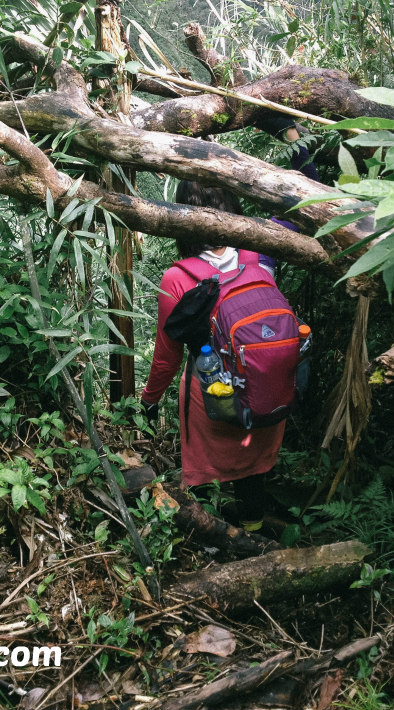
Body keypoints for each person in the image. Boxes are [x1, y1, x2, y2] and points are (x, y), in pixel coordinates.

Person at [139, 181, 288, 533]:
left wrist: (149, 400)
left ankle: (211, 540)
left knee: (206, 471)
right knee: (253, 466)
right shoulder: (260, 254)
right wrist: (291, 135)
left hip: (212, 396)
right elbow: (294, 209)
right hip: (265, 388)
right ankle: (252, 531)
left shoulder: (178, 278)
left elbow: (167, 356)